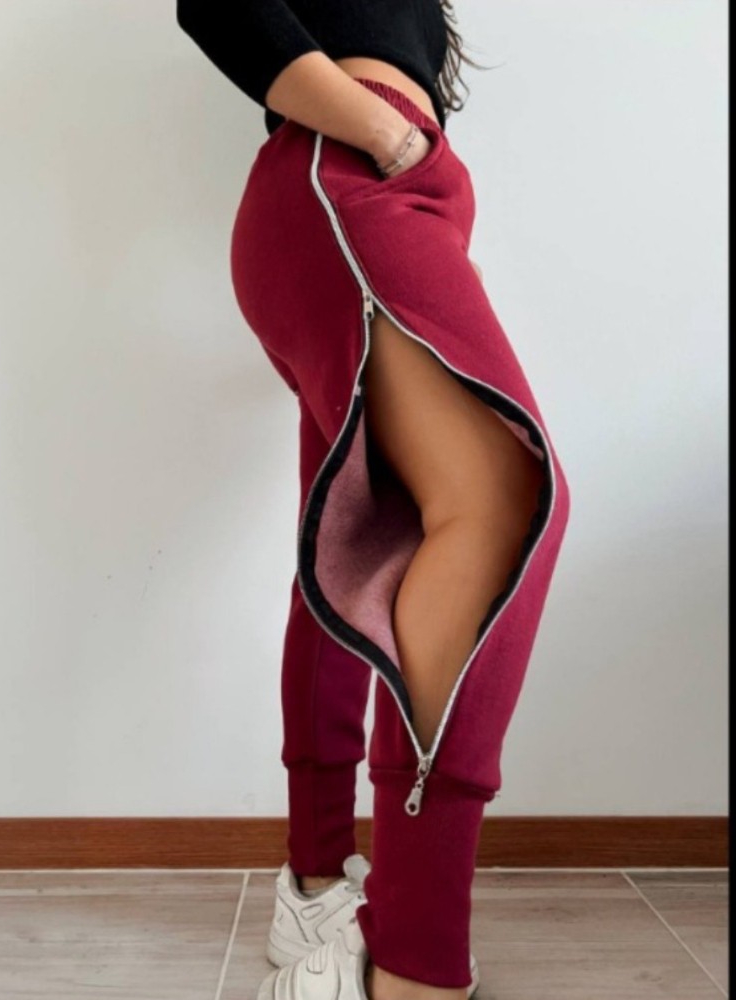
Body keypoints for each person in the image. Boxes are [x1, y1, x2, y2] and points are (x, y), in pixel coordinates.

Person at [175, 2, 572, 998]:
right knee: (502, 502)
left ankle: (316, 887)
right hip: (348, 179)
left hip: (361, 197)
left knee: (358, 540)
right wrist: (389, 138)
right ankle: (413, 960)